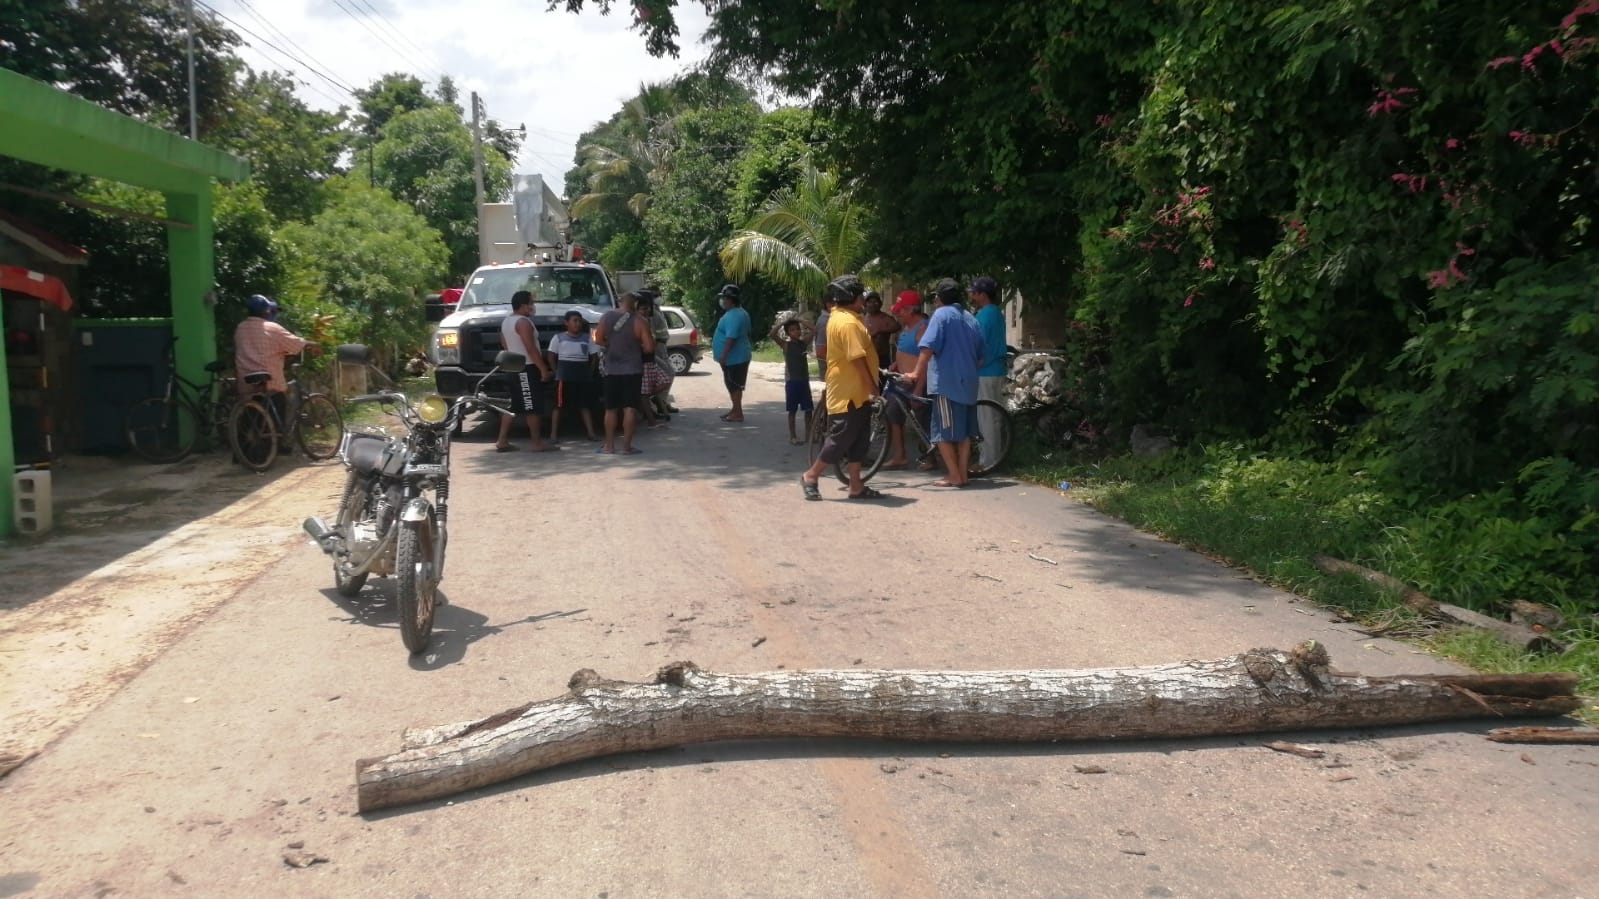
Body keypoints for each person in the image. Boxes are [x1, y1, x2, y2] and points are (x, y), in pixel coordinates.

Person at [800, 275, 883, 501]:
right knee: (840, 439)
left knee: (859, 440)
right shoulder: (847, 323)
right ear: (855, 298)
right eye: (861, 296)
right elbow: (857, 358)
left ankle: (856, 485)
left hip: (855, 392)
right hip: (849, 392)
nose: (863, 300)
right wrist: (872, 387)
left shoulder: (842, 317)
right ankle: (811, 475)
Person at [903, 278, 983, 488]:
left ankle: (954, 475)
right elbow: (981, 357)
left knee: (942, 433)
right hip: (970, 382)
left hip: (947, 383)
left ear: (938, 298)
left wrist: (915, 373)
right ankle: (962, 474)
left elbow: (927, 347)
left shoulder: (941, 315)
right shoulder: (970, 318)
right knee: (964, 433)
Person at [233, 294, 319, 433]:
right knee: (280, 407)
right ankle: (280, 441)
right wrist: (311, 344)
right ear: (266, 310)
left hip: (245, 381)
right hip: (269, 382)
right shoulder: (272, 328)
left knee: (249, 419)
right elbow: (295, 343)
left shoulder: (240, 328)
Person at [593, 290, 656, 455]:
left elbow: (597, 339)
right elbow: (649, 347)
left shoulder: (606, 317)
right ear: (635, 304)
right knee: (630, 409)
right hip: (633, 370)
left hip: (611, 369)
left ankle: (609, 446)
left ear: (620, 302)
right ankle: (626, 447)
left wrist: (610, 345)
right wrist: (635, 346)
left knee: (611, 408)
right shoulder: (640, 321)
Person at [495, 290, 557, 453]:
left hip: (513, 367)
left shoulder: (506, 321)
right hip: (526, 369)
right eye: (531, 303)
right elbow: (530, 347)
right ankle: (536, 442)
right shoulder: (523, 322)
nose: (533, 306)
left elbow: (504, 343)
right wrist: (543, 369)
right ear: (523, 306)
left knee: (513, 405)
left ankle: (502, 440)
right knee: (532, 406)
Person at [884, 291, 931, 470]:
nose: (897, 314)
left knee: (922, 420)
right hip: (900, 380)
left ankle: (930, 456)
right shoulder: (906, 327)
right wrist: (897, 363)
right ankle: (899, 455)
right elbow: (907, 352)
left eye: (900, 310)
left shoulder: (923, 328)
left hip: (916, 382)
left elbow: (925, 361)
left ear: (910, 310)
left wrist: (919, 388)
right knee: (893, 415)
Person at [969, 275, 1008, 473]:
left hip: (985, 371)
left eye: (974, 293)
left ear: (982, 295)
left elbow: (978, 345)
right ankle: (996, 457)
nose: (972, 296)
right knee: (993, 416)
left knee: (986, 417)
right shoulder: (995, 313)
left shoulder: (985, 316)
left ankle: (988, 462)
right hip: (996, 369)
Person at [546, 310, 602, 442]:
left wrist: (590, 371)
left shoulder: (588, 338)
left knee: (584, 405)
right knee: (558, 405)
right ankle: (553, 434)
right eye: (574, 321)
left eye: (579, 321)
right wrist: (556, 371)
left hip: (582, 376)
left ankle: (591, 433)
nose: (577, 324)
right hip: (564, 377)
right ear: (566, 323)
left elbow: (594, 357)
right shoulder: (558, 338)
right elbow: (551, 356)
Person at [768, 317, 815, 445]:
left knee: (808, 410)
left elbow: (814, 330)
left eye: (797, 329)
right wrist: (783, 323)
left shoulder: (803, 343)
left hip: (804, 381)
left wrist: (800, 320)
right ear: (788, 333)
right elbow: (772, 334)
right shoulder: (786, 345)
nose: (796, 332)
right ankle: (793, 436)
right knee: (792, 410)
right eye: (792, 330)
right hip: (792, 382)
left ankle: (808, 434)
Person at [712, 284, 753, 422]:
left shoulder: (734, 315)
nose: (722, 301)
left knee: (734, 385)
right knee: (732, 384)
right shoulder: (738, 313)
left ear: (731, 299)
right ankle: (735, 409)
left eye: (724, 298)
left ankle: (738, 412)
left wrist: (723, 355)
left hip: (735, 358)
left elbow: (731, 337)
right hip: (736, 357)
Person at [863, 289, 902, 368]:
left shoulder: (885, 318)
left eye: (875, 302)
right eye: (869, 302)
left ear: (880, 304)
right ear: (865, 304)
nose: (872, 304)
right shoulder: (862, 318)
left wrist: (880, 330)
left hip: (882, 357)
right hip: (866, 356)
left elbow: (897, 326)